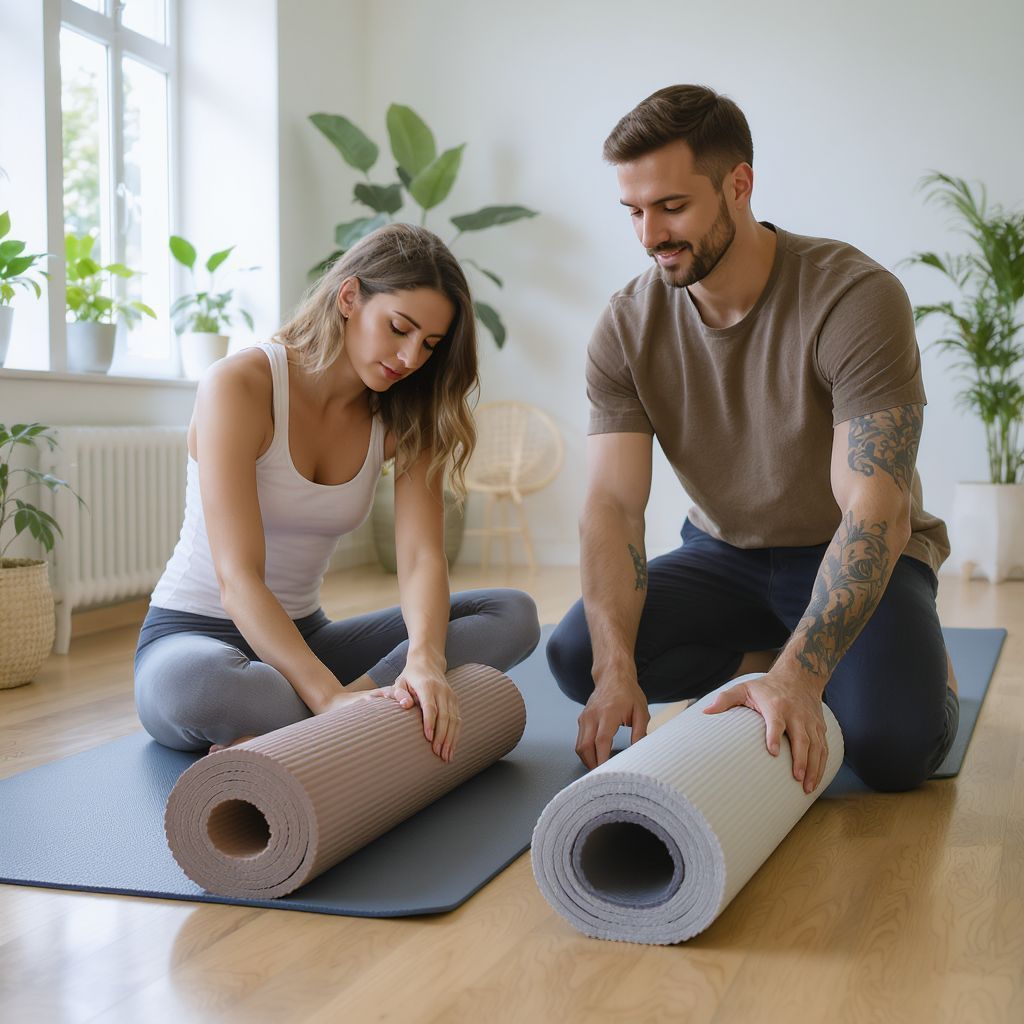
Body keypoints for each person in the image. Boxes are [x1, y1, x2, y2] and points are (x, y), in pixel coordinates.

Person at [546, 84, 958, 794]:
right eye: (634, 212)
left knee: (894, 749)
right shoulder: (623, 326)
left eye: (672, 207)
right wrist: (616, 673)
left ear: (740, 185)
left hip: (849, 546)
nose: (649, 236)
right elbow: (612, 504)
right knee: (577, 650)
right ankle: (759, 652)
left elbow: (875, 509)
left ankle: (914, 666)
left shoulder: (854, 297)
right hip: (723, 556)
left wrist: (801, 677)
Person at [135, 223, 540, 760]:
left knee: (510, 613)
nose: (412, 358)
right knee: (203, 688)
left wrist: (425, 657)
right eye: (399, 328)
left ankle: (309, 728)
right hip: (194, 637)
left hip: (308, 637)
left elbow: (421, 558)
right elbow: (237, 578)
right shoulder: (240, 385)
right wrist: (327, 697)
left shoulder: (404, 412)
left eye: (430, 345)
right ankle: (353, 719)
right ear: (349, 296)